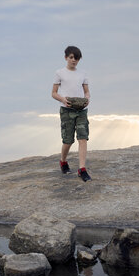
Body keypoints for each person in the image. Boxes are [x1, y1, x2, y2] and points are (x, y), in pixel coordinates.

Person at [51, 45, 92, 182]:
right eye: (71, 58)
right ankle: (63, 161)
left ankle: (82, 169)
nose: (74, 60)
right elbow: (53, 93)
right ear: (66, 58)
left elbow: (86, 92)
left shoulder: (83, 74)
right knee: (68, 140)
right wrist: (63, 99)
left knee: (83, 138)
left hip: (81, 110)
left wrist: (87, 100)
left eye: (77, 58)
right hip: (66, 110)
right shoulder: (59, 73)